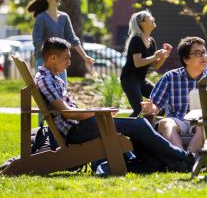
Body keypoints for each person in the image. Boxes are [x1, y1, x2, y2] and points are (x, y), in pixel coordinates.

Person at [35, 37, 194, 173]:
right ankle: (183, 156)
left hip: (81, 126)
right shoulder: (46, 79)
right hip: (75, 132)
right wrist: (98, 113)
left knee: (138, 127)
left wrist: (97, 111)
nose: (69, 62)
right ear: (53, 58)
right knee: (139, 125)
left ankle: (176, 162)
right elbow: (67, 113)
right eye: (66, 58)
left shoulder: (53, 78)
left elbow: (70, 112)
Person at [140, 36, 207, 154]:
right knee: (165, 123)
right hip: (179, 120)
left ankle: (190, 158)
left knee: (204, 125)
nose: (203, 56)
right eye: (197, 53)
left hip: (204, 121)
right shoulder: (170, 77)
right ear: (186, 59)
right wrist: (150, 108)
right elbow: (156, 105)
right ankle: (180, 156)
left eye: (204, 52)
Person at [27, 0, 95, 85]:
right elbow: (37, 41)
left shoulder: (64, 17)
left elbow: (73, 39)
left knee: (62, 89)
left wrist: (85, 57)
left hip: (60, 60)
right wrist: (49, 56)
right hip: (43, 60)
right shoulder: (41, 18)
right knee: (45, 91)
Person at [121, 10, 172, 117]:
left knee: (160, 103)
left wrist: (164, 56)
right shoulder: (136, 40)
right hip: (129, 79)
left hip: (141, 80)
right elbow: (138, 63)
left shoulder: (151, 41)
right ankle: (122, 130)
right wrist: (155, 56)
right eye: (150, 17)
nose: (153, 18)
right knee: (139, 110)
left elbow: (155, 65)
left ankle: (154, 128)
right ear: (142, 23)